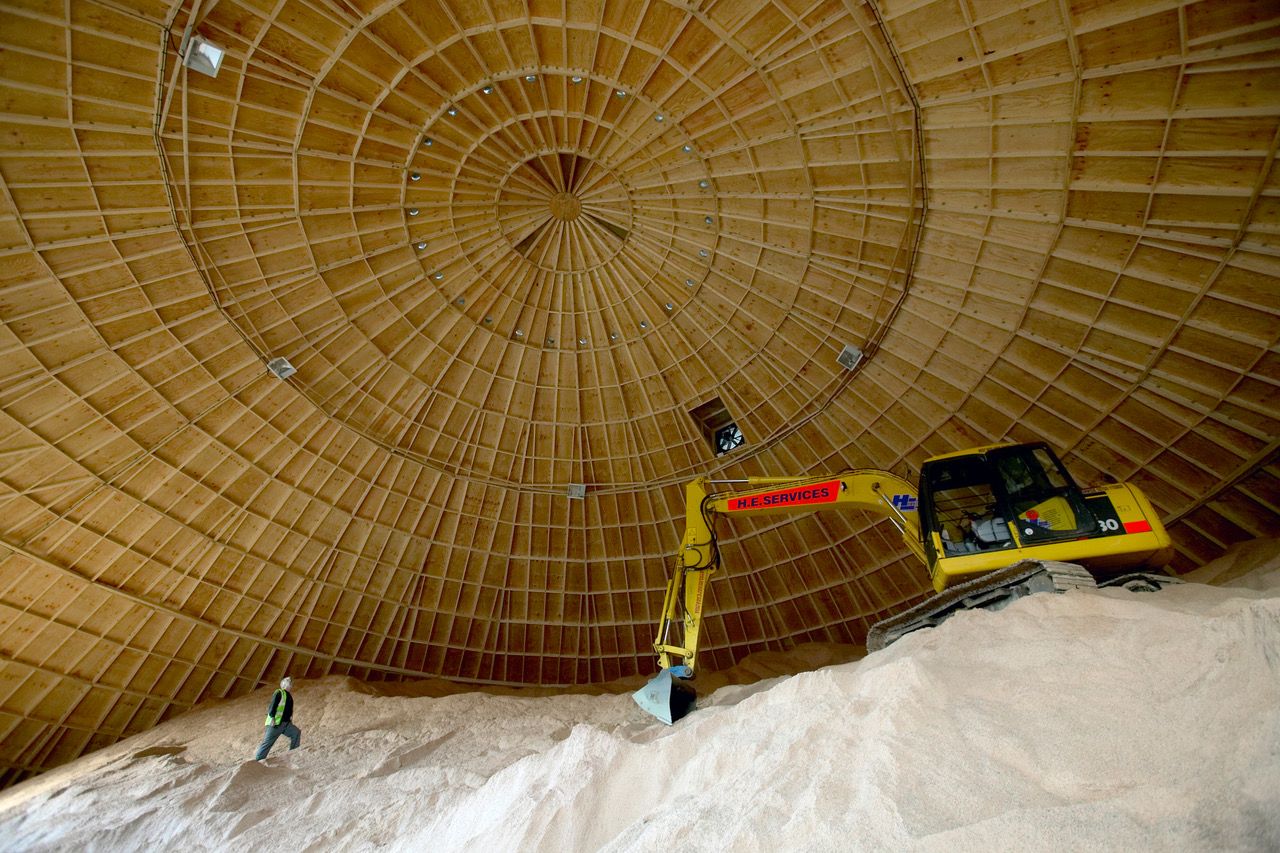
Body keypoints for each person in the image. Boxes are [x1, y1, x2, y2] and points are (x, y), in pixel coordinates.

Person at [254, 676, 301, 760]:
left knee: (296, 733)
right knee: (267, 743)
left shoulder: (289, 695)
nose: (291, 685)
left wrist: (290, 721)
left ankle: (293, 754)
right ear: (284, 685)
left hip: (286, 724)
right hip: (276, 724)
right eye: (289, 683)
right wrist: (272, 718)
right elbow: (272, 706)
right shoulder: (279, 692)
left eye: (291, 683)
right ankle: (258, 761)